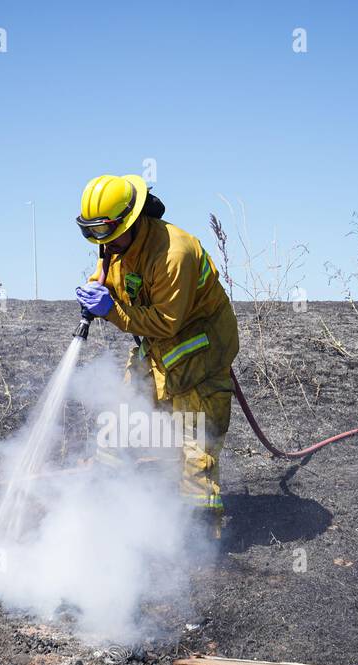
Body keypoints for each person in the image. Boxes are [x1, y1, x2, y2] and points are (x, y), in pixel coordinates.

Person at [74, 174, 238, 536]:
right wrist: (92, 290)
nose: (103, 244)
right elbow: (108, 275)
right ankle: (108, 509)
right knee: (119, 421)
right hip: (157, 348)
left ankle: (198, 541)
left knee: (196, 447)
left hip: (200, 351)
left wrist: (112, 312)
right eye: (94, 234)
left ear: (130, 222)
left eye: (107, 233)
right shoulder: (116, 245)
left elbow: (166, 322)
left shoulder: (172, 254)